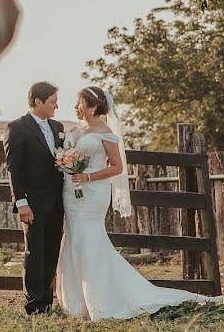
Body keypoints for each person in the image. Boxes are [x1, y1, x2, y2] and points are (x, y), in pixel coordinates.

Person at [56, 85, 224, 320]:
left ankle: (102, 300)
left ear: (93, 107)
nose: (76, 106)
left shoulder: (106, 133)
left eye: (80, 102)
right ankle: (77, 302)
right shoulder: (74, 130)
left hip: (93, 193)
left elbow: (117, 167)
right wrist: (67, 166)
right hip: (71, 193)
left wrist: (89, 176)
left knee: (89, 238)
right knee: (73, 238)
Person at [3, 81, 65, 315]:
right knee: (34, 253)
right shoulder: (17, 128)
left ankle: (47, 302)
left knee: (52, 251)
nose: (56, 106)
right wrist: (21, 203)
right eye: (52, 101)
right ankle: (33, 304)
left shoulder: (57, 126)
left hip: (57, 203)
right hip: (33, 204)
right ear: (38, 102)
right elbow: (13, 170)